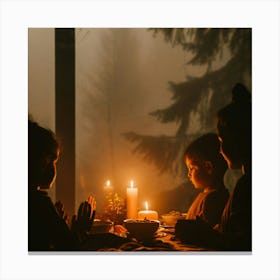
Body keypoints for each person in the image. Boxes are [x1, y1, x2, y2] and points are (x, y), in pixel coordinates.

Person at [176, 83, 252, 251]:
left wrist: (203, 234)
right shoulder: (245, 184)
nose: (220, 150)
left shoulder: (248, 188)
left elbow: (240, 246)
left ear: (239, 141)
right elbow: (229, 232)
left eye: (222, 141)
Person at [28, 119, 96, 251]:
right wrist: (80, 229)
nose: (53, 168)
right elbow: (70, 248)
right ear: (41, 162)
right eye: (52, 160)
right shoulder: (40, 204)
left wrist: (56, 223)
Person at [184, 133, 229, 227]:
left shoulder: (213, 199)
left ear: (208, 167)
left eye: (191, 168)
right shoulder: (206, 196)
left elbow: (203, 234)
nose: (189, 174)